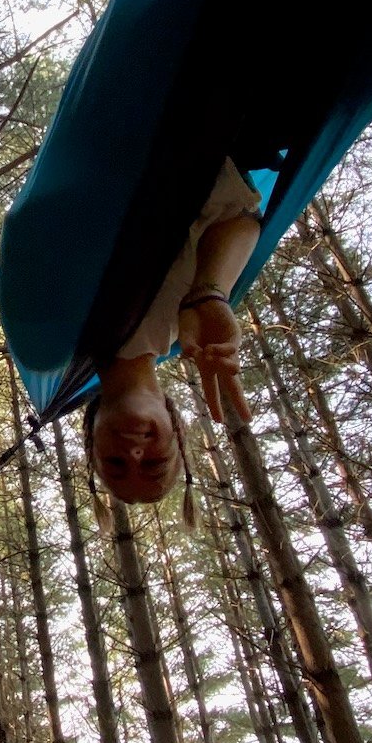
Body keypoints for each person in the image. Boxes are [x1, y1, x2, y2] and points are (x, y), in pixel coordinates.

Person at [85, 158, 261, 506]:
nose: (135, 452)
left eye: (116, 463)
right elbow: (241, 214)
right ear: (177, 430)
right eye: (154, 462)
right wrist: (209, 291)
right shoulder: (188, 328)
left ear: (91, 441)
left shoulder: (60, 343)